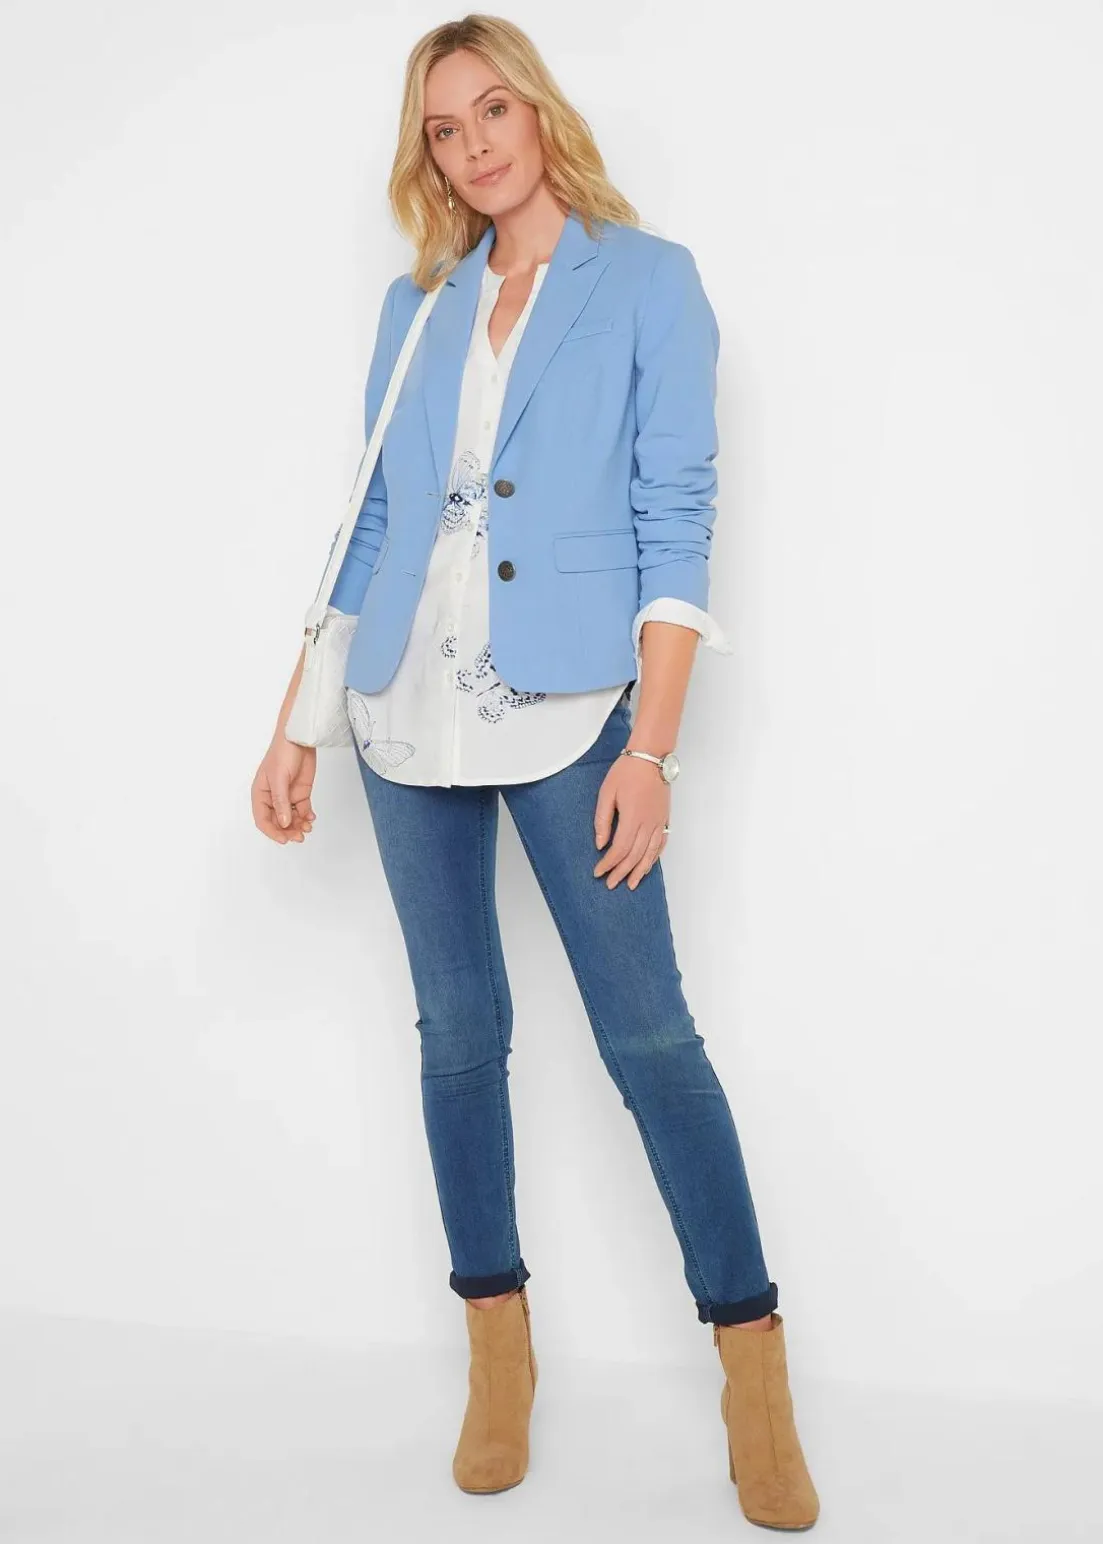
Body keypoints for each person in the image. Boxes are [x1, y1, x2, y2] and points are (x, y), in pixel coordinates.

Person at [251, 14, 819, 1530]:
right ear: (428, 156)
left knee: (648, 1041)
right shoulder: (418, 303)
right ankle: (497, 1358)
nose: (474, 145)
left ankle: (753, 1370)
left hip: (575, 714)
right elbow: (372, 517)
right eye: (444, 129)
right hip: (402, 711)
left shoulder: (649, 281)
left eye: (492, 109)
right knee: (457, 1037)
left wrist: (653, 745)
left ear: (539, 112)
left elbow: (675, 515)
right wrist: (299, 718)